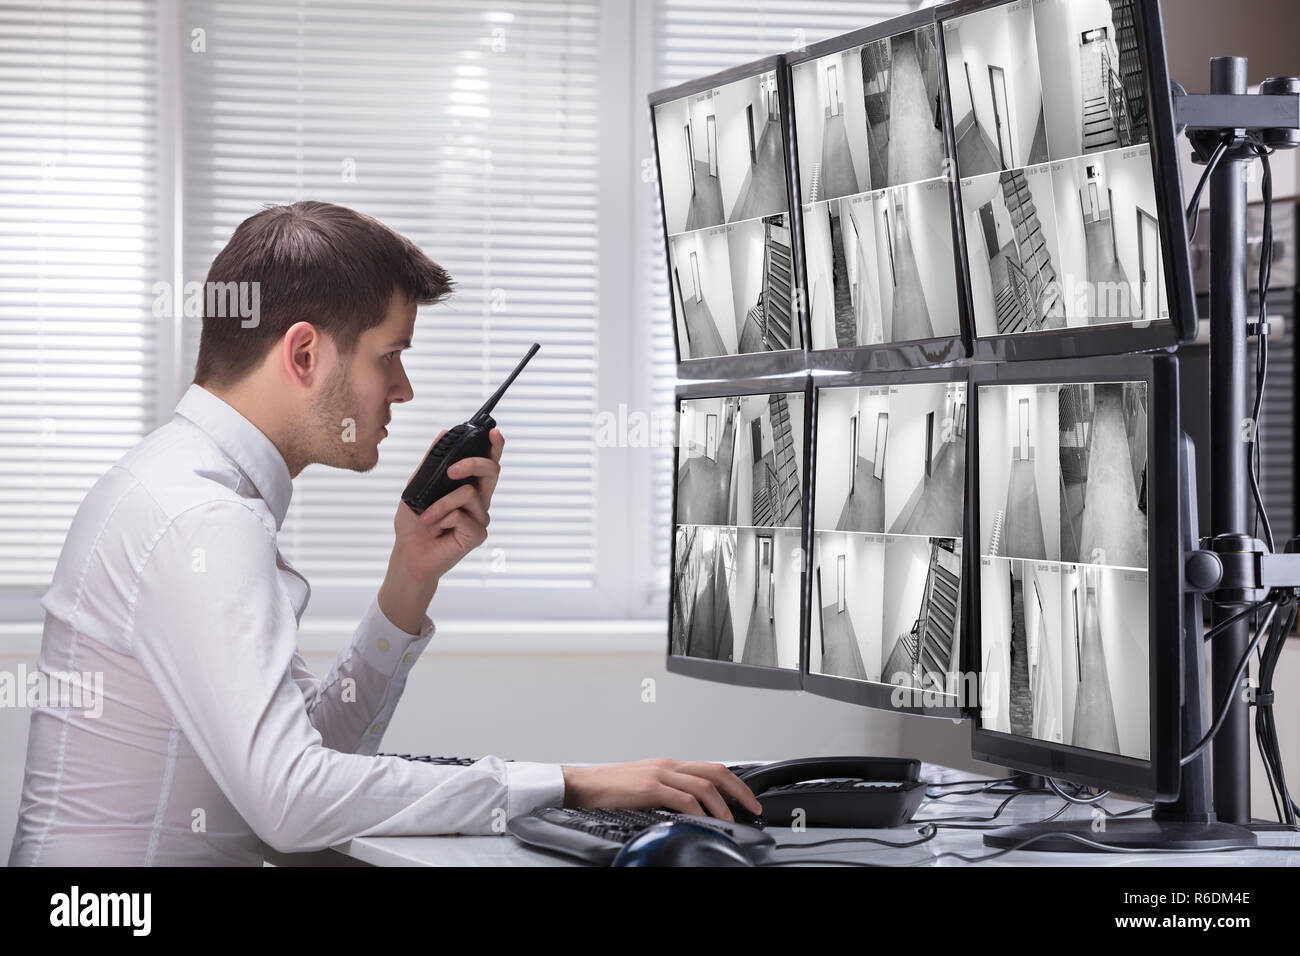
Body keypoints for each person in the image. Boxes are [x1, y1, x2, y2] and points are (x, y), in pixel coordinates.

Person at [8, 201, 761, 866]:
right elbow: (294, 802)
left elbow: (310, 760)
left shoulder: (184, 488)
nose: (404, 388)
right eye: (390, 354)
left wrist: (410, 579)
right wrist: (570, 782)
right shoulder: (201, 516)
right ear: (304, 355)